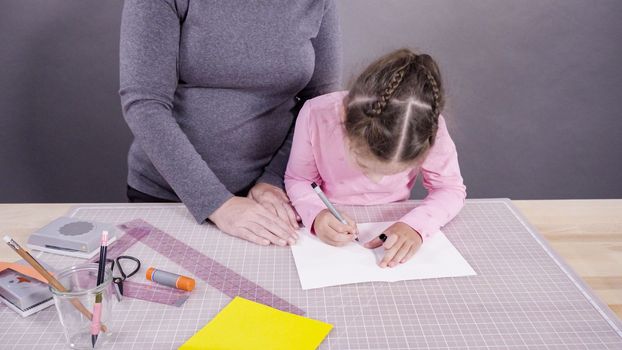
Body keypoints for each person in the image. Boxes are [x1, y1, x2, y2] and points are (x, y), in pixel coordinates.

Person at [118, 0, 341, 246]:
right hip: (174, 197)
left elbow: (320, 104)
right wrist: (217, 203)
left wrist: (274, 179)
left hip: (273, 199)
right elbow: (145, 104)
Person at [284, 48, 466, 268]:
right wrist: (317, 215)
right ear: (344, 119)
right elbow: (299, 179)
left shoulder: (427, 129)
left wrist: (416, 226)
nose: (375, 178)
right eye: (363, 163)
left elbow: (450, 189)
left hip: (392, 217)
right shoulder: (316, 114)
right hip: (331, 219)